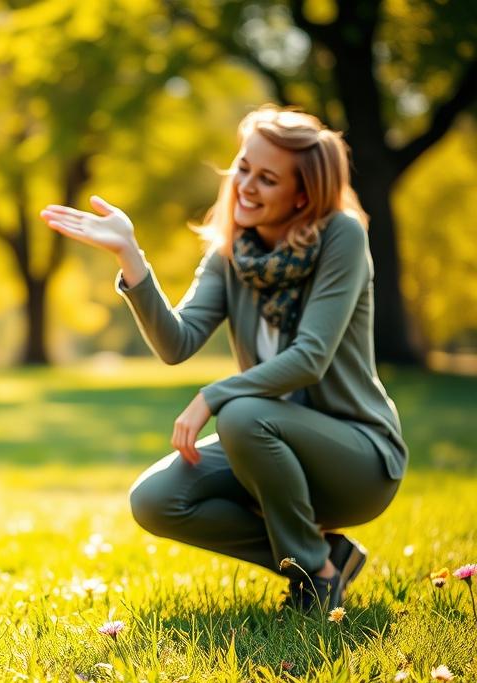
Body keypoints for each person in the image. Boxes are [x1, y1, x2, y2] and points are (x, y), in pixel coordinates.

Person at [39, 105, 407, 611]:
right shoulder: (232, 252)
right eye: (243, 168)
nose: (245, 186)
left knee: (241, 411)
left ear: (303, 195)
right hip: (264, 437)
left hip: (359, 458)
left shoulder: (340, 236)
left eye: (267, 179)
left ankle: (315, 580)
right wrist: (131, 257)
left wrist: (214, 396)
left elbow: (311, 357)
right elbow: (178, 343)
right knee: (156, 501)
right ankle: (323, 557)